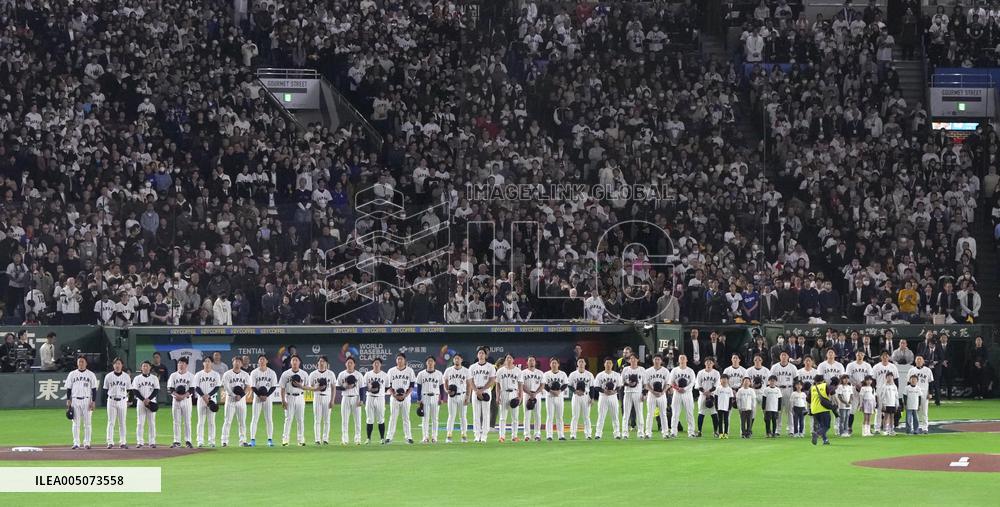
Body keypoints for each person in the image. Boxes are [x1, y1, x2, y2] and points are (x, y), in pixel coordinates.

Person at [280, 355, 316, 446]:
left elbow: (308, 387)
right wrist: (283, 400)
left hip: (300, 397)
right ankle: (285, 440)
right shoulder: (285, 374)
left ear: (299, 362)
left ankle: (301, 440)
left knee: (300, 419)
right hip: (289, 397)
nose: (295, 362)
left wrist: (301, 386)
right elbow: (282, 388)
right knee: (288, 419)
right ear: (291, 362)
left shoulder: (304, 374)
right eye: (293, 360)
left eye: (296, 360)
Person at [66, 356, 98, 449]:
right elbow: (68, 388)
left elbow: (94, 389)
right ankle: (76, 443)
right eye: (79, 362)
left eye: (82, 362)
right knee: (76, 423)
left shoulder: (91, 374)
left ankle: (87, 443)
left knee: (87, 423)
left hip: (87, 400)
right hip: (75, 400)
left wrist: (93, 401)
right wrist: (68, 399)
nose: (81, 363)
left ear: (86, 363)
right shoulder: (72, 374)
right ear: (77, 363)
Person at [385, 353, 416, 445]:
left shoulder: (410, 371)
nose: (399, 360)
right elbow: (388, 385)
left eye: (401, 359)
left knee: (406, 418)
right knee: (393, 417)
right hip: (394, 397)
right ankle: (389, 437)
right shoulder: (391, 371)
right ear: (396, 360)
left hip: (405, 397)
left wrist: (405, 395)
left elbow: (411, 385)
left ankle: (408, 437)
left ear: (405, 360)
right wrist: (394, 394)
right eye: (398, 359)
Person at [220, 356, 250, 447]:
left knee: (242, 421)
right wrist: (234, 395)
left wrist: (240, 396)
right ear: (232, 363)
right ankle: (224, 441)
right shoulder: (227, 374)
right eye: (235, 361)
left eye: (239, 362)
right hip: (230, 399)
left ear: (241, 363)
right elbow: (226, 387)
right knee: (228, 421)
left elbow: (247, 387)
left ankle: (243, 441)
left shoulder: (245, 374)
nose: (237, 363)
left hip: (241, 400)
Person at [468, 348, 496, 443]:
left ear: (485, 355)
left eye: (483, 353)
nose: (481, 354)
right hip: (475, 391)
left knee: (485, 414)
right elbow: (470, 380)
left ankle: (484, 435)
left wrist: (482, 390)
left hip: (486, 391)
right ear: (477, 355)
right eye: (479, 353)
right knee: (476, 414)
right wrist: (476, 390)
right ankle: (476, 435)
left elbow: (492, 380)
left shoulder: (490, 367)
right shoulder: (472, 367)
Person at [249, 355, 278, 447]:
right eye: (260, 359)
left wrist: (266, 396)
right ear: (258, 362)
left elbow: (273, 386)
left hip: (268, 398)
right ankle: (252, 440)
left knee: (269, 419)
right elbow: (253, 386)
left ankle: (270, 440)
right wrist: (260, 395)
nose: (261, 361)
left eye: (263, 359)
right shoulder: (254, 372)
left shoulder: (272, 372)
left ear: (266, 361)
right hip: (257, 398)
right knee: (255, 418)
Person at [167, 357, 195, 448]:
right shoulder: (173, 375)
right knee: (176, 421)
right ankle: (176, 441)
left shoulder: (191, 376)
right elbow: (170, 388)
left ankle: (188, 440)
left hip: (186, 400)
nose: (180, 365)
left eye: (183, 363)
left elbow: (191, 389)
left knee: (187, 421)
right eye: (179, 363)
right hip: (175, 400)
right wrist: (177, 396)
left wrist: (183, 396)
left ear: (186, 365)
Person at [131, 360, 160, 448]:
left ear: (150, 367)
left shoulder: (154, 378)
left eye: (147, 366)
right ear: (141, 368)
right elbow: (135, 390)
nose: (145, 367)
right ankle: (140, 441)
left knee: (151, 422)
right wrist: (143, 399)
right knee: (140, 422)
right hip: (141, 402)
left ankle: (152, 442)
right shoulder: (137, 378)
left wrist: (149, 399)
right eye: (143, 366)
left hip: (151, 402)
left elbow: (156, 390)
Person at [103, 357, 130, 448]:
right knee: (111, 422)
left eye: (119, 363)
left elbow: (129, 389)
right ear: (113, 365)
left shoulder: (126, 376)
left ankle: (123, 442)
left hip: (122, 400)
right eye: (115, 363)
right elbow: (105, 389)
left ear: (122, 365)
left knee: (122, 422)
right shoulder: (108, 376)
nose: (117, 365)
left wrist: (128, 400)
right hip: (111, 400)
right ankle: (110, 441)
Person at [193, 357, 221, 448]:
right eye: (205, 361)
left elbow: (217, 387)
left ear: (211, 363)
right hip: (201, 400)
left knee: (211, 422)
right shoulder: (198, 374)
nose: (207, 363)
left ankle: (211, 441)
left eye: (209, 361)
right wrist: (203, 396)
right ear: (203, 363)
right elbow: (196, 387)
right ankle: (200, 441)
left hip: (212, 399)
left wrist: (208, 395)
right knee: (201, 421)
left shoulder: (216, 374)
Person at [416, 355, 444, 444]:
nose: (430, 362)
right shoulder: (421, 374)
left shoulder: (439, 373)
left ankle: (434, 437)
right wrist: (419, 398)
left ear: (434, 363)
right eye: (428, 361)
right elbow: (419, 387)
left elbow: (441, 387)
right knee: (425, 418)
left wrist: (442, 398)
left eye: (431, 361)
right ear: (426, 363)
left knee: (435, 418)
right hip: (424, 397)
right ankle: (425, 437)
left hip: (435, 397)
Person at [495, 353, 523, 443]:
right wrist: (497, 396)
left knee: (515, 417)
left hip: (514, 393)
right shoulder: (500, 371)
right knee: (502, 417)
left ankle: (514, 436)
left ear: (513, 360)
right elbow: (497, 385)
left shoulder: (518, 371)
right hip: (504, 393)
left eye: (510, 358)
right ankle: (501, 436)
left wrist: (520, 397)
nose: (508, 359)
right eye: (507, 358)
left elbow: (520, 385)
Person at [443, 353, 470, 443]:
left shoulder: (466, 371)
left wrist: (468, 396)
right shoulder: (448, 370)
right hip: (452, 396)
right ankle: (449, 435)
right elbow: (445, 381)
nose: (456, 360)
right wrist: (446, 390)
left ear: (461, 360)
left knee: (463, 416)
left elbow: (469, 385)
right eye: (455, 358)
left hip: (462, 395)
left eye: (458, 358)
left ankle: (464, 434)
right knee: (451, 416)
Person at [668, 354, 696, 438]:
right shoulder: (674, 370)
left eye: (684, 358)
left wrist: (685, 389)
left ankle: (691, 432)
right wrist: (677, 388)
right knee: (675, 413)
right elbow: (671, 382)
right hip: (677, 394)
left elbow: (692, 382)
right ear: (678, 360)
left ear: (686, 360)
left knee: (689, 413)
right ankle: (673, 432)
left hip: (687, 394)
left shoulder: (690, 371)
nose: (682, 359)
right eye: (681, 358)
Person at [644, 354, 671, 439]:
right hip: (651, 395)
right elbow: (646, 384)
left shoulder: (665, 371)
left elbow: (668, 383)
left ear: (661, 361)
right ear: (653, 360)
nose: (657, 361)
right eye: (655, 359)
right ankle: (648, 433)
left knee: (663, 414)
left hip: (662, 395)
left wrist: (663, 392)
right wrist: (652, 391)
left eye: (658, 359)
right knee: (650, 413)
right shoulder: (648, 371)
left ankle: (665, 433)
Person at [594, 357, 622, 440]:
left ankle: (617, 433)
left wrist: (614, 391)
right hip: (603, 397)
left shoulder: (616, 375)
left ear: (612, 365)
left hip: (613, 397)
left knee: (615, 416)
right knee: (601, 416)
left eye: (610, 363)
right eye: (607, 363)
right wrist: (603, 391)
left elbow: (619, 386)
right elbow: (596, 387)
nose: (608, 364)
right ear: (604, 364)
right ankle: (598, 434)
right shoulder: (600, 375)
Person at [769, 352, 797, 435]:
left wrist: (795, 391)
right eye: (782, 355)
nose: (784, 356)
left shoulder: (792, 367)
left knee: (790, 410)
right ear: (780, 357)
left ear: (788, 357)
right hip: (778, 389)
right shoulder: (775, 367)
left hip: (789, 389)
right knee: (778, 410)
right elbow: (771, 379)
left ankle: (791, 429)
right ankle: (777, 429)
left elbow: (796, 380)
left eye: (785, 355)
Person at [363, 358, 390, 444]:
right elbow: (364, 387)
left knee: (381, 419)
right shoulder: (367, 374)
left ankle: (382, 438)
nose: (376, 364)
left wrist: (379, 391)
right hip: (370, 397)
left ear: (380, 364)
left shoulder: (385, 375)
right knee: (369, 419)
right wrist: (370, 389)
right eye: (375, 363)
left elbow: (387, 387)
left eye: (378, 363)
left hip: (380, 398)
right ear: (372, 364)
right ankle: (368, 438)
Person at [567, 357, 594, 440]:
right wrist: (575, 391)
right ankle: (573, 434)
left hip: (586, 396)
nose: (581, 363)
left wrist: (592, 398)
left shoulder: (589, 374)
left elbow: (592, 387)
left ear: (585, 363)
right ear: (577, 363)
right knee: (575, 416)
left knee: (586, 416)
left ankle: (588, 434)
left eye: (583, 361)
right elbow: (569, 385)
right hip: (576, 397)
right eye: (579, 361)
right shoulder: (573, 374)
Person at [620, 354, 646, 439]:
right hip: (627, 392)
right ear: (629, 360)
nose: (633, 360)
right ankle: (625, 433)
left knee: (639, 413)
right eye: (631, 359)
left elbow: (645, 384)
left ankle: (641, 432)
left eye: (634, 358)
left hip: (638, 393)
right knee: (626, 414)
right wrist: (628, 384)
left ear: (638, 360)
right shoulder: (625, 369)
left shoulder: (642, 370)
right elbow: (621, 382)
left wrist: (644, 394)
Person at [542, 358, 567, 441]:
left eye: (555, 363)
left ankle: (561, 435)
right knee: (550, 416)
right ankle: (549, 435)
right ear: (550, 364)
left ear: (558, 364)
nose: (554, 364)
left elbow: (565, 384)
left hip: (559, 397)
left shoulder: (562, 374)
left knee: (559, 417)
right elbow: (544, 385)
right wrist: (552, 391)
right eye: (552, 363)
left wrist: (559, 391)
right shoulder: (546, 374)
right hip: (550, 397)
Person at [520, 356, 544, 441]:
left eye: (533, 360)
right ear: (527, 362)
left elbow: (542, 385)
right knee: (527, 415)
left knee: (537, 415)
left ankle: (537, 434)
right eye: (529, 360)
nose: (531, 362)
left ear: (535, 362)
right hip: (527, 394)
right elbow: (521, 385)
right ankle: (527, 435)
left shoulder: (540, 373)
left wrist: (535, 393)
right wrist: (530, 393)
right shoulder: (523, 373)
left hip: (537, 395)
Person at [695, 357, 720, 437]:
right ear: (704, 363)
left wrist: (709, 392)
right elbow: (698, 385)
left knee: (714, 413)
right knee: (701, 413)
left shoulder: (716, 373)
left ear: (713, 364)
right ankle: (699, 431)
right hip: (702, 395)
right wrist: (704, 392)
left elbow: (717, 385)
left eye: (710, 362)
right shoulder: (700, 373)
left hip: (713, 395)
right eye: (707, 362)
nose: (709, 364)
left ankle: (716, 431)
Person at [909, 355, 934, 433]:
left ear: (923, 361)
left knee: (924, 410)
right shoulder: (912, 370)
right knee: (914, 410)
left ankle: (925, 427)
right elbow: (908, 382)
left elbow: (931, 382)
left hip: (924, 392)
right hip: (914, 392)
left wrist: (930, 393)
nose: (919, 361)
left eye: (920, 359)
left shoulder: (928, 370)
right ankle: (914, 426)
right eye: (917, 359)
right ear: (915, 361)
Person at [745, 354, 770, 424]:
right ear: (753, 360)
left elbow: (768, 383)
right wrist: (752, 385)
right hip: (752, 393)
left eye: (759, 359)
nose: (757, 361)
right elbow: (745, 382)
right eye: (756, 359)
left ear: (762, 361)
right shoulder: (749, 370)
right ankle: (749, 430)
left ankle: (768, 431)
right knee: (752, 412)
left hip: (763, 393)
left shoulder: (766, 370)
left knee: (766, 411)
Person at [809, 374, 833, 445]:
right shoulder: (825, 385)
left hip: (814, 409)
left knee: (821, 426)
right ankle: (817, 433)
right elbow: (832, 393)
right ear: (823, 380)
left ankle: (825, 440)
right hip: (823, 408)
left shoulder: (812, 388)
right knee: (826, 426)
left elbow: (808, 399)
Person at [715, 375, 734, 439]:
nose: (724, 381)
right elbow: (716, 398)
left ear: (728, 380)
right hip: (719, 407)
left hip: (726, 407)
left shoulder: (729, 389)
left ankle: (726, 433)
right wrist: (716, 406)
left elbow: (731, 399)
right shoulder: (718, 388)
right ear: (720, 380)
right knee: (720, 420)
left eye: (725, 379)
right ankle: (720, 433)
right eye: (722, 379)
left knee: (726, 420)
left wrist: (729, 407)